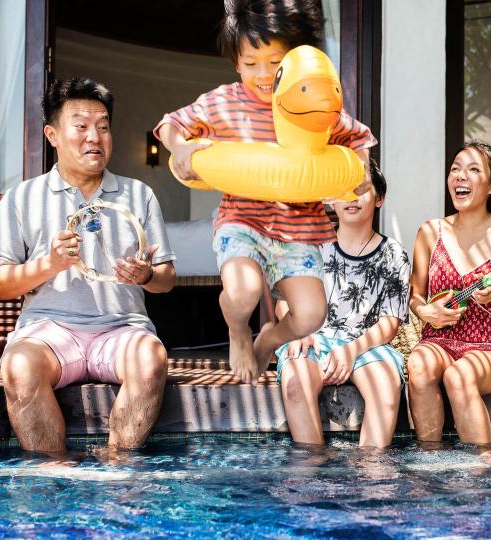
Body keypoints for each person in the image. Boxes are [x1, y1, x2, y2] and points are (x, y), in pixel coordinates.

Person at [154, 0, 376, 385]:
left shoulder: (308, 102)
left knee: (310, 315)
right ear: (236, 63)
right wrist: (181, 147)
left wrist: (361, 170)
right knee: (244, 293)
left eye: (274, 62)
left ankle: (269, 337)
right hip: (243, 219)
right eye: (251, 62)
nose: (262, 73)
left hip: (298, 228)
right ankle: (238, 330)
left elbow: (358, 138)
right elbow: (171, 124)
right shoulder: (224, 102)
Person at [0, 78, 177, 453]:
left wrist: (147, 275)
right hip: (49, 333)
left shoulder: (139, 195)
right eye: (81, 127)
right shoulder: (22, 198)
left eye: (103, 127)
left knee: (151, 359)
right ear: (52, 134)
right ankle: (55, 474)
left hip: (121, 330)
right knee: (20, 365)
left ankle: (117, 470)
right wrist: (48, 265)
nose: (94, 137)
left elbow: (166, 279)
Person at [406, 141, 491, 447]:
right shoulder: (430, 232)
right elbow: (415, 296)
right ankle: (430, 462)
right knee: (419, 364)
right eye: (455, 169)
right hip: (438, 339)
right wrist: (426, 312)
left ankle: (485, 470)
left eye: (473, 170)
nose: (460, 176)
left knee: (459, 375)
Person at [275, 163, 409, 448]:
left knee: (385, 387)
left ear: (379, 198)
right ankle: (311, 476)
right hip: (313, 336)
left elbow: (391, 322)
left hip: (368, 345)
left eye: (361, 189)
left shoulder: (394, 254)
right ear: (331, 200)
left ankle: (372, 477)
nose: (352, 197)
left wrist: (351, 350)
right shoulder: (310, 246)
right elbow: (286, 302)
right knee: (295, 382)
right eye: (344, 189)